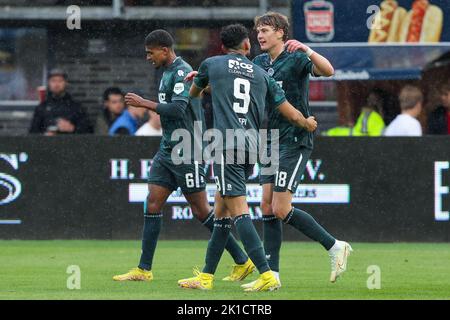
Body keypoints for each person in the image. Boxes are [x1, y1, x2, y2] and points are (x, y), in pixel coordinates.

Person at [178, 24, 317, 292]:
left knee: (238, 209)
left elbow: (193, 93)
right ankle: (206, 276)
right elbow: (289, 111)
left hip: (226, 144)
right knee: (222, 209)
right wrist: (307, 123)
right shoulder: (261, 73)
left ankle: (266, 273)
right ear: (246, 47)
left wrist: (204, 83)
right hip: (252, 146)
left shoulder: (211, 64)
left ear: (222, 47)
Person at [113, 29, 250, 282]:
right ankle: (144, 269)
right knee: (152, 202)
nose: (148, 57)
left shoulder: (180, 71)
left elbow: (177, 109)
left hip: (188, 148)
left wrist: (145, 103)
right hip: (168, 148)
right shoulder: (166, 73)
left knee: (201, 210)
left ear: (164, 50)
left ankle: (243, 260)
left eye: (150, 52)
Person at [250, 11, 351, 287]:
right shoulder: (258, 62)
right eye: (258, 30)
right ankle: (272, 275)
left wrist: (307, 48)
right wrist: (207, 78)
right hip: (270, 140)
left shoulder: (296, 58)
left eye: (265, 30)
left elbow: (329, 71)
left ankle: (335, 246)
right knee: (266, 207)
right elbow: (239, 82)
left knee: (281, 208)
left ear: (281, 32)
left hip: (295, 138)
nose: (260, 35)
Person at [29, 68, 92, 135]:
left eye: (60, 81)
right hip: (47, 145)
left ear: (66, 83)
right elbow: (32, 133)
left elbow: (88, 132)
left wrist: (72, 129)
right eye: (53, 81)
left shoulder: (76, 107)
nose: (56, 84)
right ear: (49, 83)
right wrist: (45, 135)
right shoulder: (42, 108)